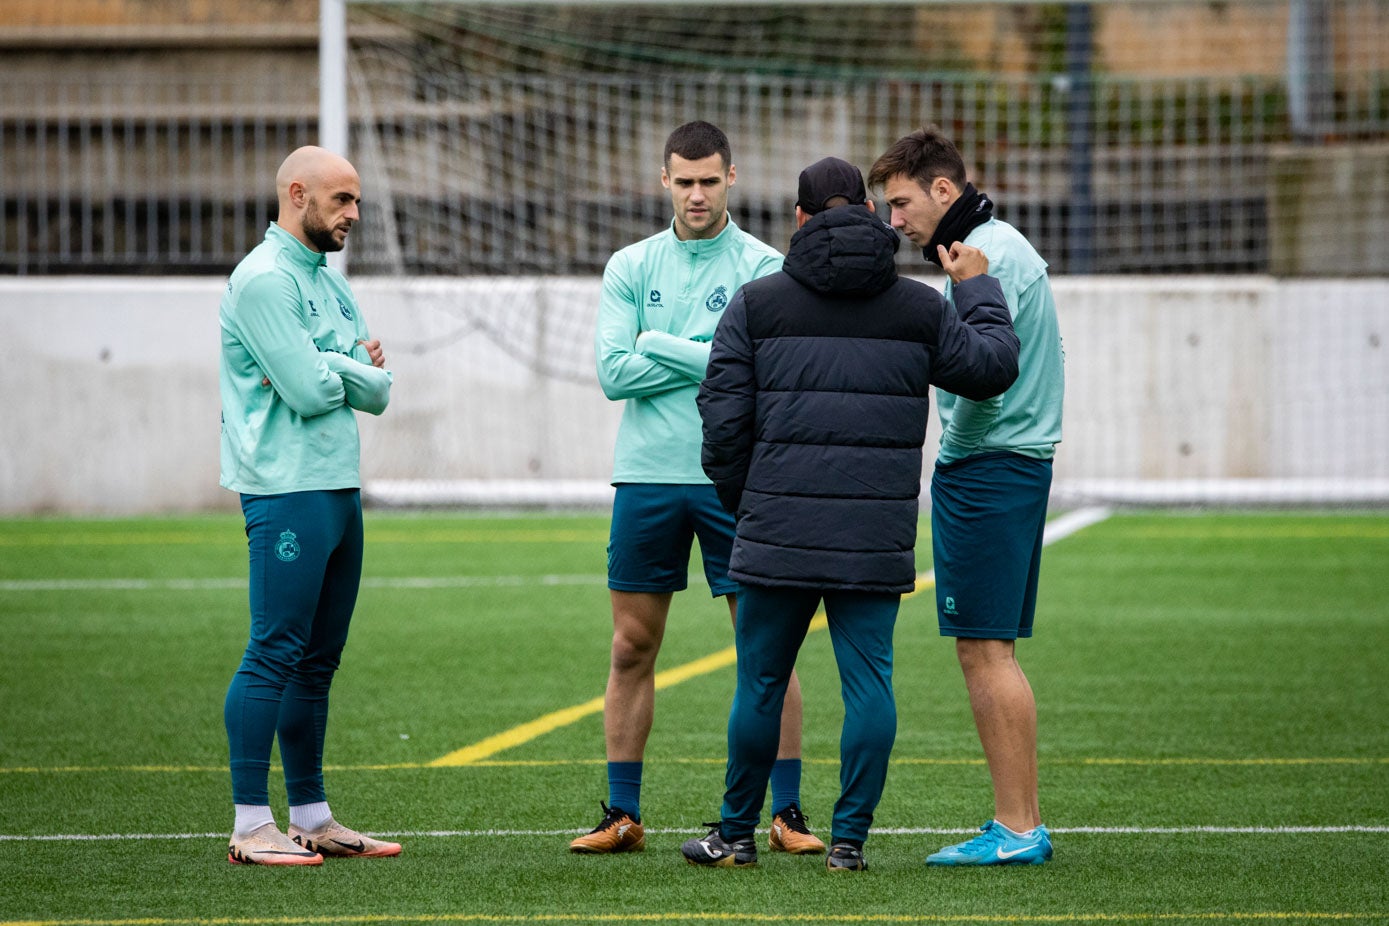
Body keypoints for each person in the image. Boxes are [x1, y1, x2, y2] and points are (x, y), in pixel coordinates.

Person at [682, 157, 1020, 871]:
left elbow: (720, 421)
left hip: (773, 526)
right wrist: (977, 288)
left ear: (799, 221)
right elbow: (991, 370)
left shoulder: (756, 302)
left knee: (760, 683)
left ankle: (736, 835)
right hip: (872, 533)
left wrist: (749, 503)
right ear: (869, 214)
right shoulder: (922, 305)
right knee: (869, 683)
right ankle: (847, 843)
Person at [575, 121, 824, 856]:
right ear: (663, 181)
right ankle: (622, 812)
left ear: (731, 179)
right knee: (629, 647)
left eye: (708, 180)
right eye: (683, 181)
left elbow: (766, 372)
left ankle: (785, 813)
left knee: (765, 649)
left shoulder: (765, 267)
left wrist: (655, 343)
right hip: (647, 476)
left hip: (737, 479)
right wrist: (713, 358)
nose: (695, 194)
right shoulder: (629, 265)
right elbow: (612, 374)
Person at [868, 126, 1065, 867]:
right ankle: (1020, 822)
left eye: (900, 203)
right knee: (992, 649)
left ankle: (1016, 831)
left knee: (984, 653)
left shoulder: (985, 260)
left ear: (943, 191)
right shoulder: (995, 249)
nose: (894, 222)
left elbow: (986, 367)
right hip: (1005, 463)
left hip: (989, 467)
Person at [218, 145, 399, 866]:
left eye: (354, 201)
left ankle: (312, 815)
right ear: (298, 194)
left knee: (317, 660)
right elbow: (310, 390)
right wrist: (345, 365)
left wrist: (335, 364)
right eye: (342, 201)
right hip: (285, 488)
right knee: (274, 650)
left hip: (336, 487)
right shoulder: (264, 282)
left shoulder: (325, 281)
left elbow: (378, 393)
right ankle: (248, 823)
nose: (354, 214)